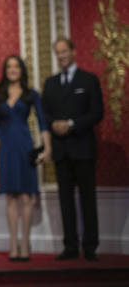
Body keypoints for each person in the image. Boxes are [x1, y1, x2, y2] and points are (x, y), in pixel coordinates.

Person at [41, 37, 103, 262]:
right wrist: (54, 124)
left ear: (74, 52)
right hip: (61, 150)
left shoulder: (89, 80)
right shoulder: (51, 83)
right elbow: (44, 114)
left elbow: (97, 113)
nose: (61, 56)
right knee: (65, 201)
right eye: (57, 53)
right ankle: (70, 246)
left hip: (83, 149)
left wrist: (71, 124)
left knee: (88, 199)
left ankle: (90, 247)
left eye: (64, 51)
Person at [0, 55, 51, 261]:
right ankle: (13, 245)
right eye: (9, 66)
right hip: (6, 148)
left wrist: (47, 147)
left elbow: (42, 122)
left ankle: (25, 244)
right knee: (10, 197)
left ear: (22, 70)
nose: (12, 69)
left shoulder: (31, 94)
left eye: (16, 66)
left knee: (26, 197)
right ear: (5, 70)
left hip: (25, 146)